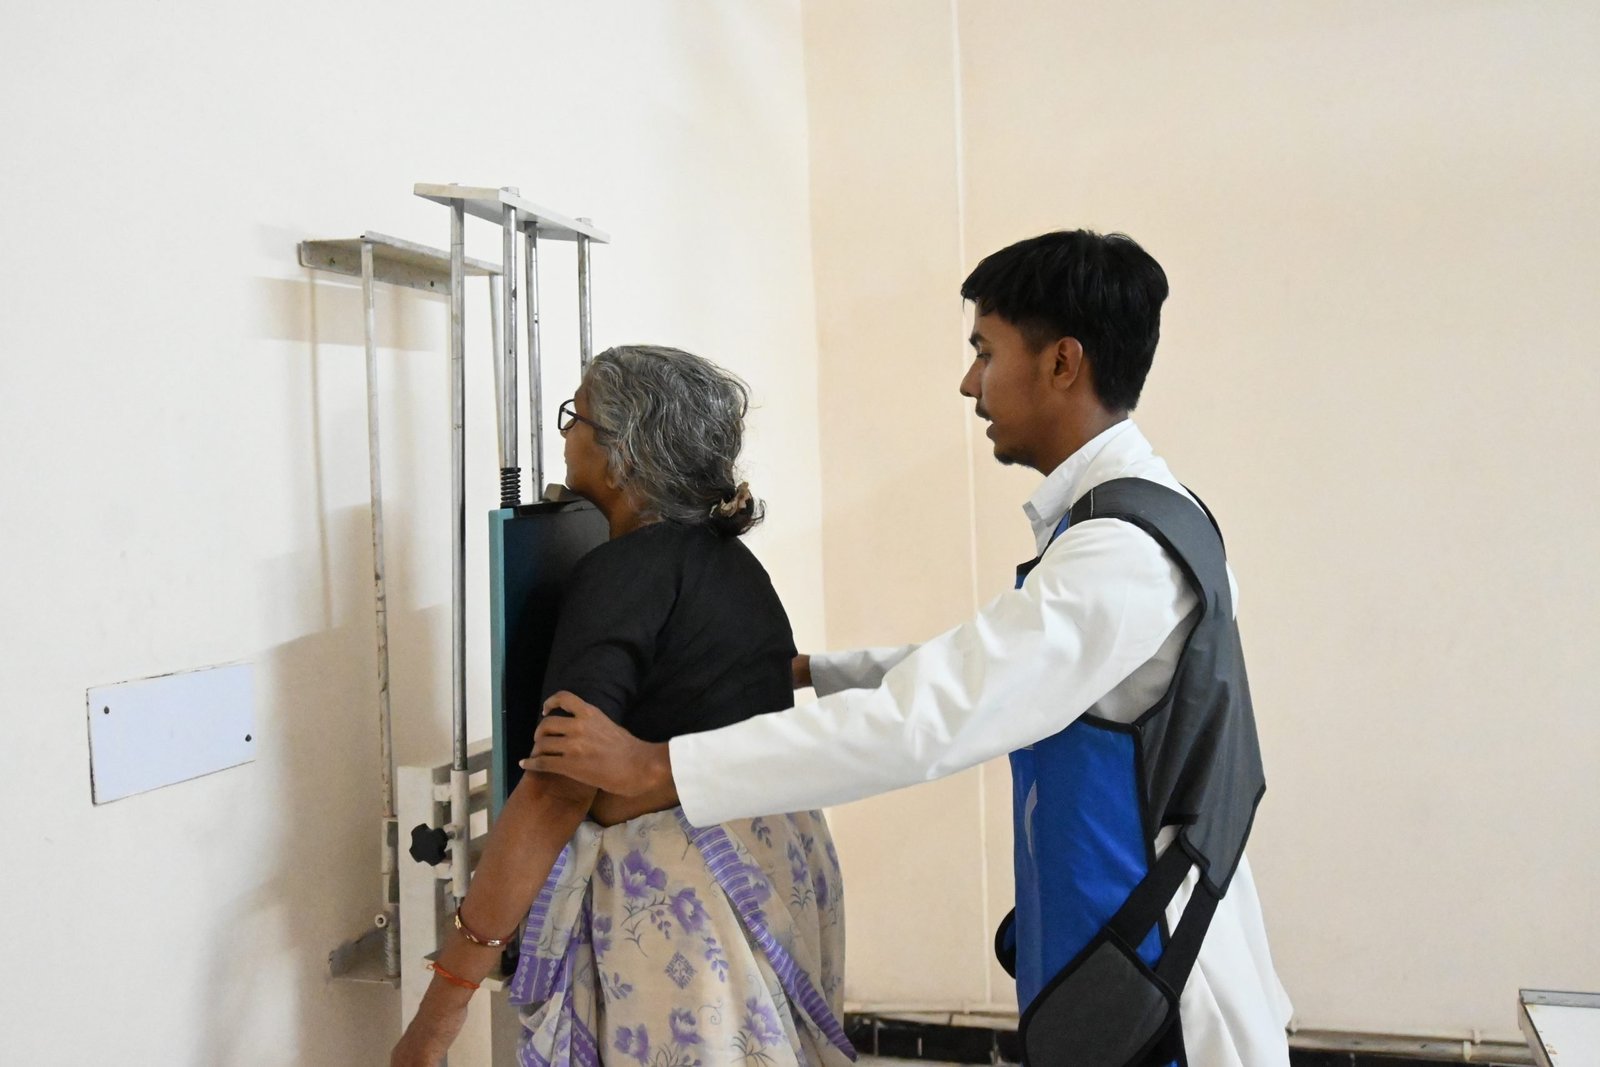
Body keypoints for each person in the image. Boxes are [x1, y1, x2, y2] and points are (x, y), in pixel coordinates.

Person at [529, 233, 1295, 1066]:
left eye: (985, 351)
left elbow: (931, 718)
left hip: (1165, 990)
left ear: (1062, 363)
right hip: (1124, 954)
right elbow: (988, 666)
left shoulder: (1122, 554)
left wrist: (660, 766)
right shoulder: (1136, 518)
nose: (970, 382)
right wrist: (812, 672)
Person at [392, 346, 853, 1067]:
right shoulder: (734, 562)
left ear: (624, 457)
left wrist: (436, 1018)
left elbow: (557, 791)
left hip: (685, 900)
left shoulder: (623, 572)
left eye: (576, 417)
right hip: (780, 860)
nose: (565, 433)